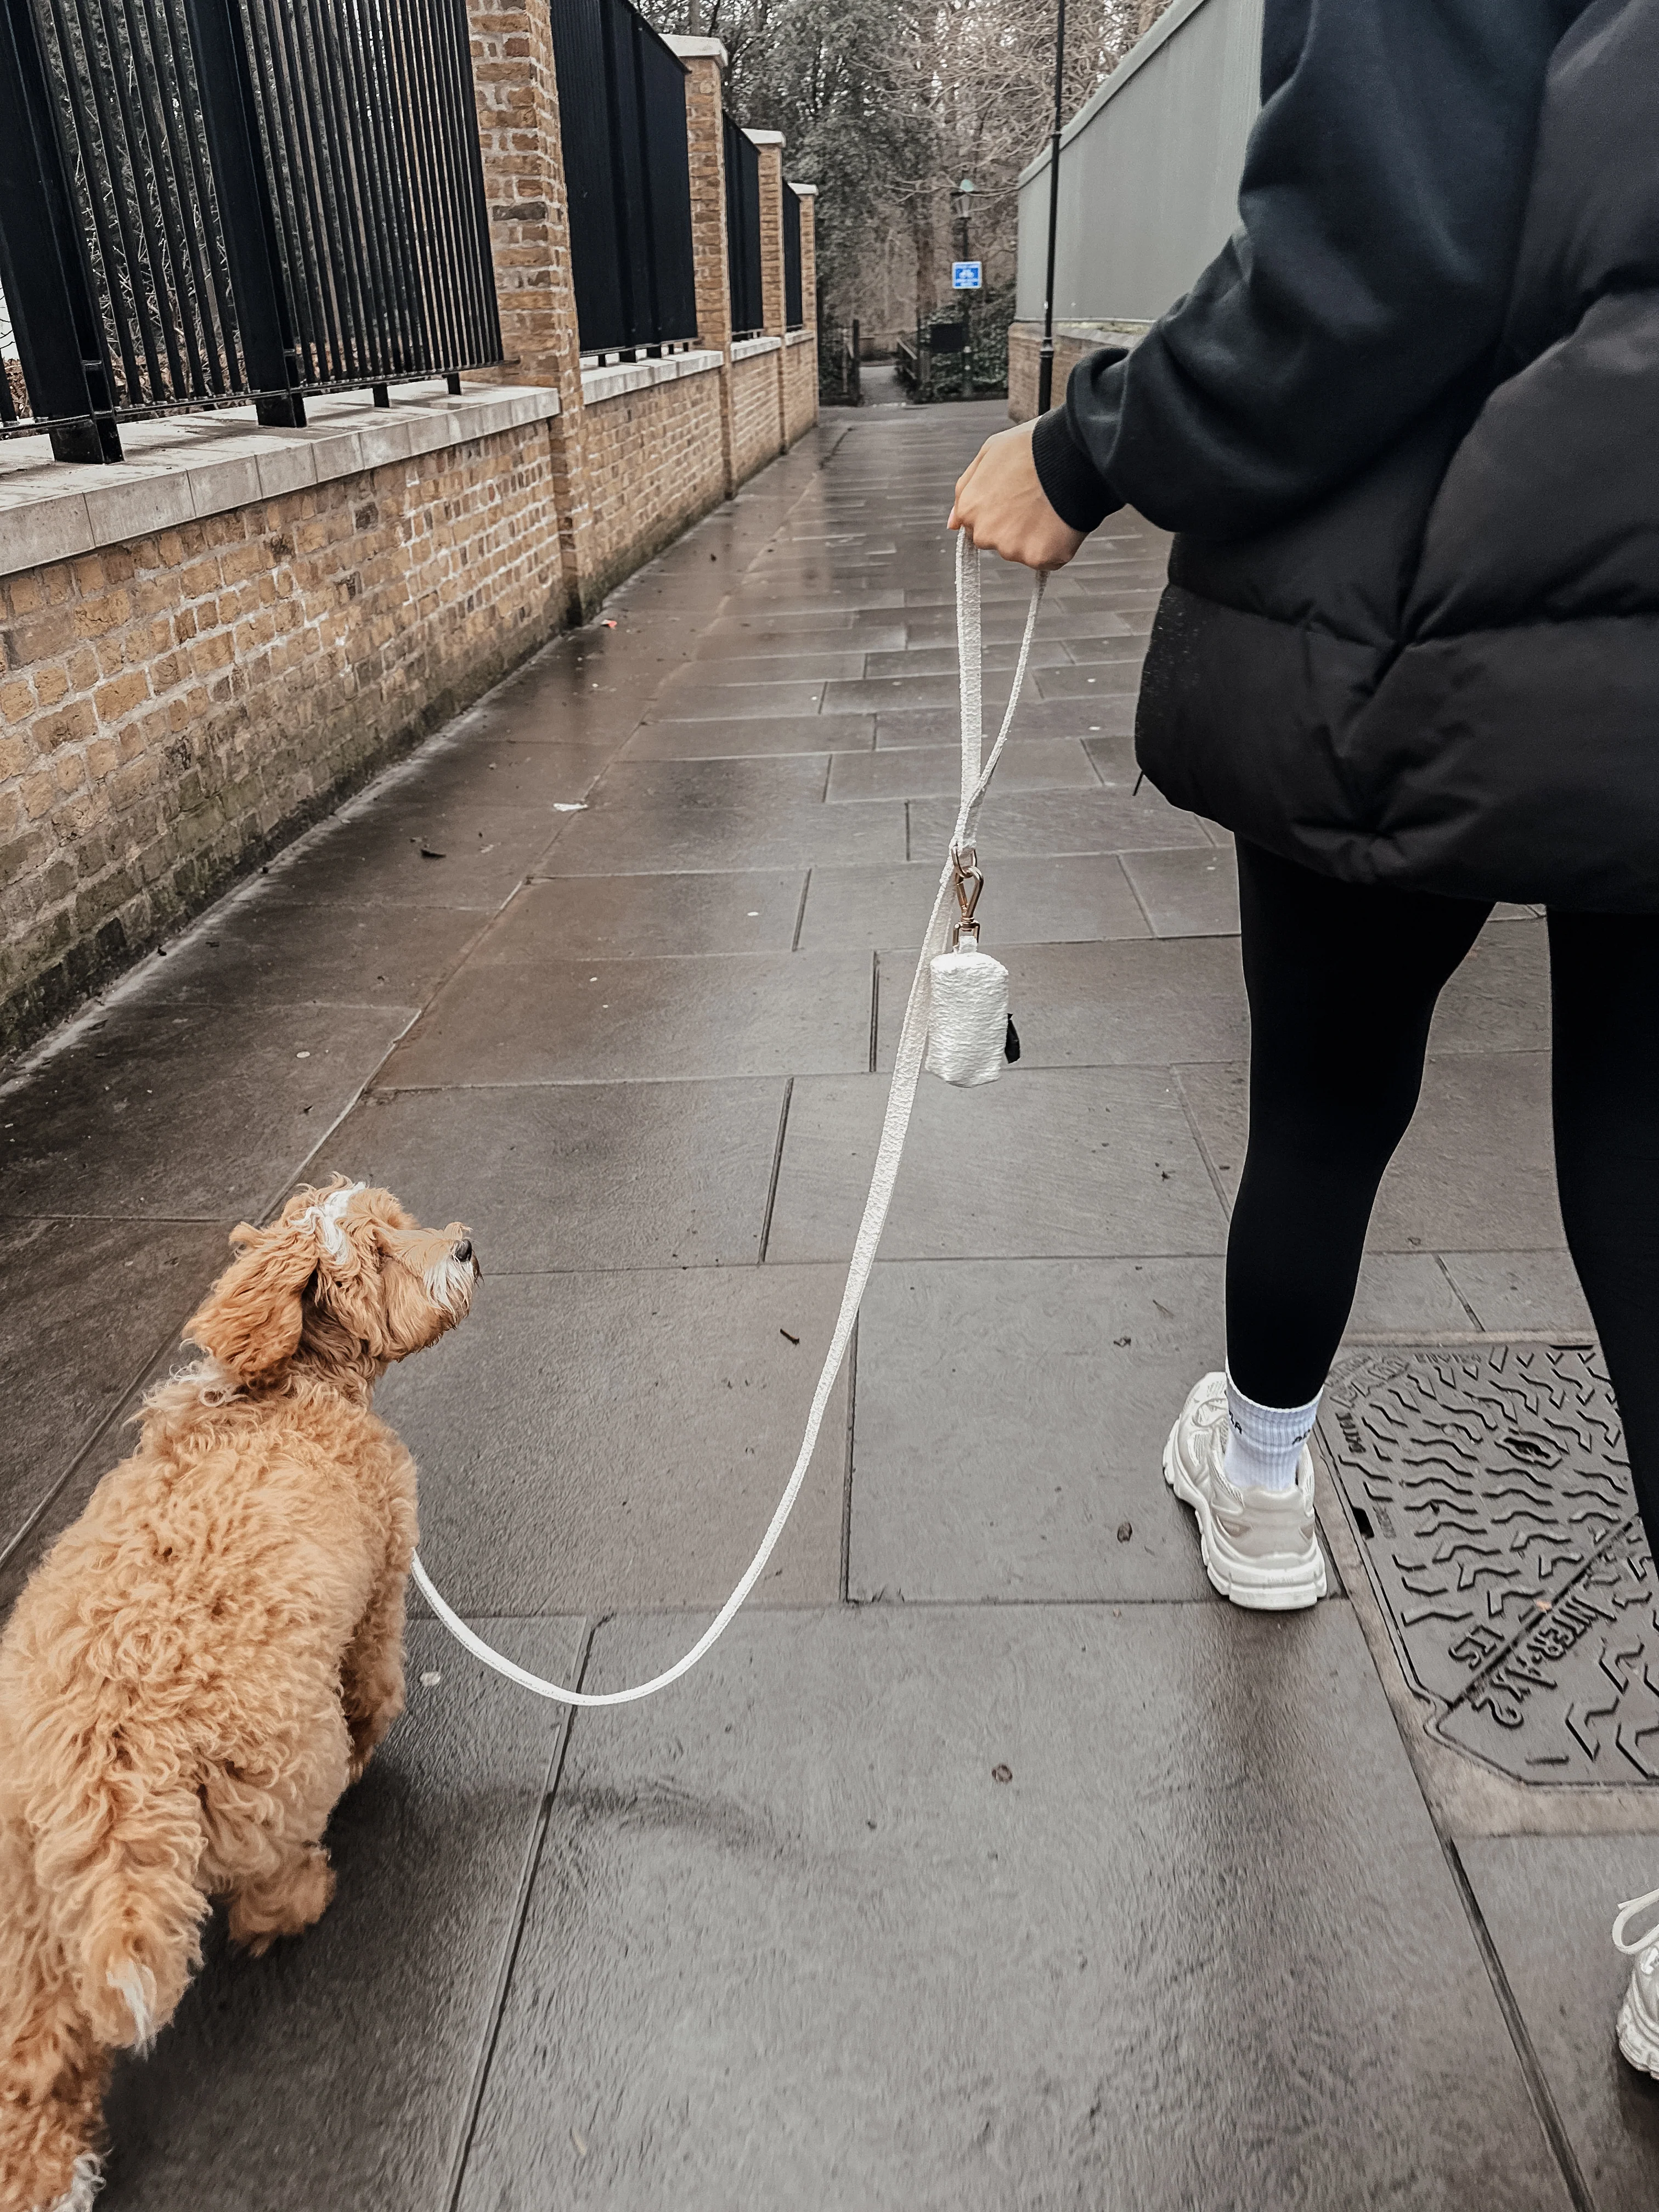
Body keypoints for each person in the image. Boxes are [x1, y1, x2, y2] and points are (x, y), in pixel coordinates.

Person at [949, 0, 1659, 2079]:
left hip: (1414, 610)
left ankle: (1261, 1478)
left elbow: (1375, 250)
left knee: (1331, 1101)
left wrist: (1085, 448)